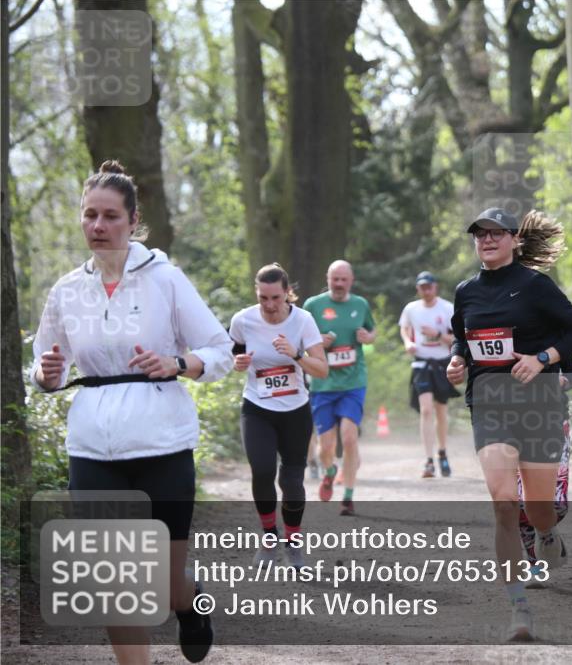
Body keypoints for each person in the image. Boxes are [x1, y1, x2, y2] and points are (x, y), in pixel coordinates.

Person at [30, 160, 233, 664]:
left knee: (164, 583)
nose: (98, 226)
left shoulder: (165, 279)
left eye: (110, 216)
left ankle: (189, 602)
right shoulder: (67, 291)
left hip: (162, 445)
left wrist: (178, 363)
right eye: (89, 215)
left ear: (133, 220)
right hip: (92, 449)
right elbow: (43, 364)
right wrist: (45, 375)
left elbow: (221, 350)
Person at [447, 208, 572, 641]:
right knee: (504, 503)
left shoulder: (535, 285)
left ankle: (547, 531)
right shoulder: (466, 291)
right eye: (480, 234)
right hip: (489, 405)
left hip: (540, 406)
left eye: (496, 233)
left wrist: (542, 358)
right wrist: (457, 360)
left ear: (514, 239)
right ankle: (519, 609)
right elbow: (461, 336)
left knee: (537, 508)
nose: (487, 240)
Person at [229, 264, 327, 568]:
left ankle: (293, 544)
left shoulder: (303, 320)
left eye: (275, 297)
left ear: (287, 293)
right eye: (263, 298)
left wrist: (295, 355)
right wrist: (237, 362)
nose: (270, 305)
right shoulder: (243, 320)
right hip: (257, 407)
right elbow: (231, 353)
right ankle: (269, 539)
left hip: (295, 410)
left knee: (291, 481)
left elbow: (322, 369)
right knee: (262, 470)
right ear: (256, 294)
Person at [303, 260, 376, 515]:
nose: (339, 284)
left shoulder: (360, 304)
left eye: (344, 279)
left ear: (351, 280)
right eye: (335, 279)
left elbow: (372, 332)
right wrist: (316, 343)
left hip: (353, 382)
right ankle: (330, 470)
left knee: (349, 437)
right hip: (322, 383)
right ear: (328, 279)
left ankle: (348, 497)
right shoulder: (313, 306)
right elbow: (298, 340)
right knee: (326, 446)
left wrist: (368, 337)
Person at [517, 356, 572, 588]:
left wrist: (562, 381)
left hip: (554, 423)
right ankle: (534, 565)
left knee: (558, 503)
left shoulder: (556, 342)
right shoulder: (506, 340)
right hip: (512, 424)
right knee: (520, 502)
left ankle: (547, 530)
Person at [398, 270, 460, 478]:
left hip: (442, 363)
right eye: (422, 287)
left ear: (435, 287)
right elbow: (404, 328)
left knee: (441, 411)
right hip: (421, 363)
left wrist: (438, 335)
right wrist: (408, 342)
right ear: (418, 289)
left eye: (429, 287)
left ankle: (442, 452)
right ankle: (428, 460)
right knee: (426, 410)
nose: (426, 291)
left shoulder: (447, 308)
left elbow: (457, 339)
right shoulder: (411, 309)